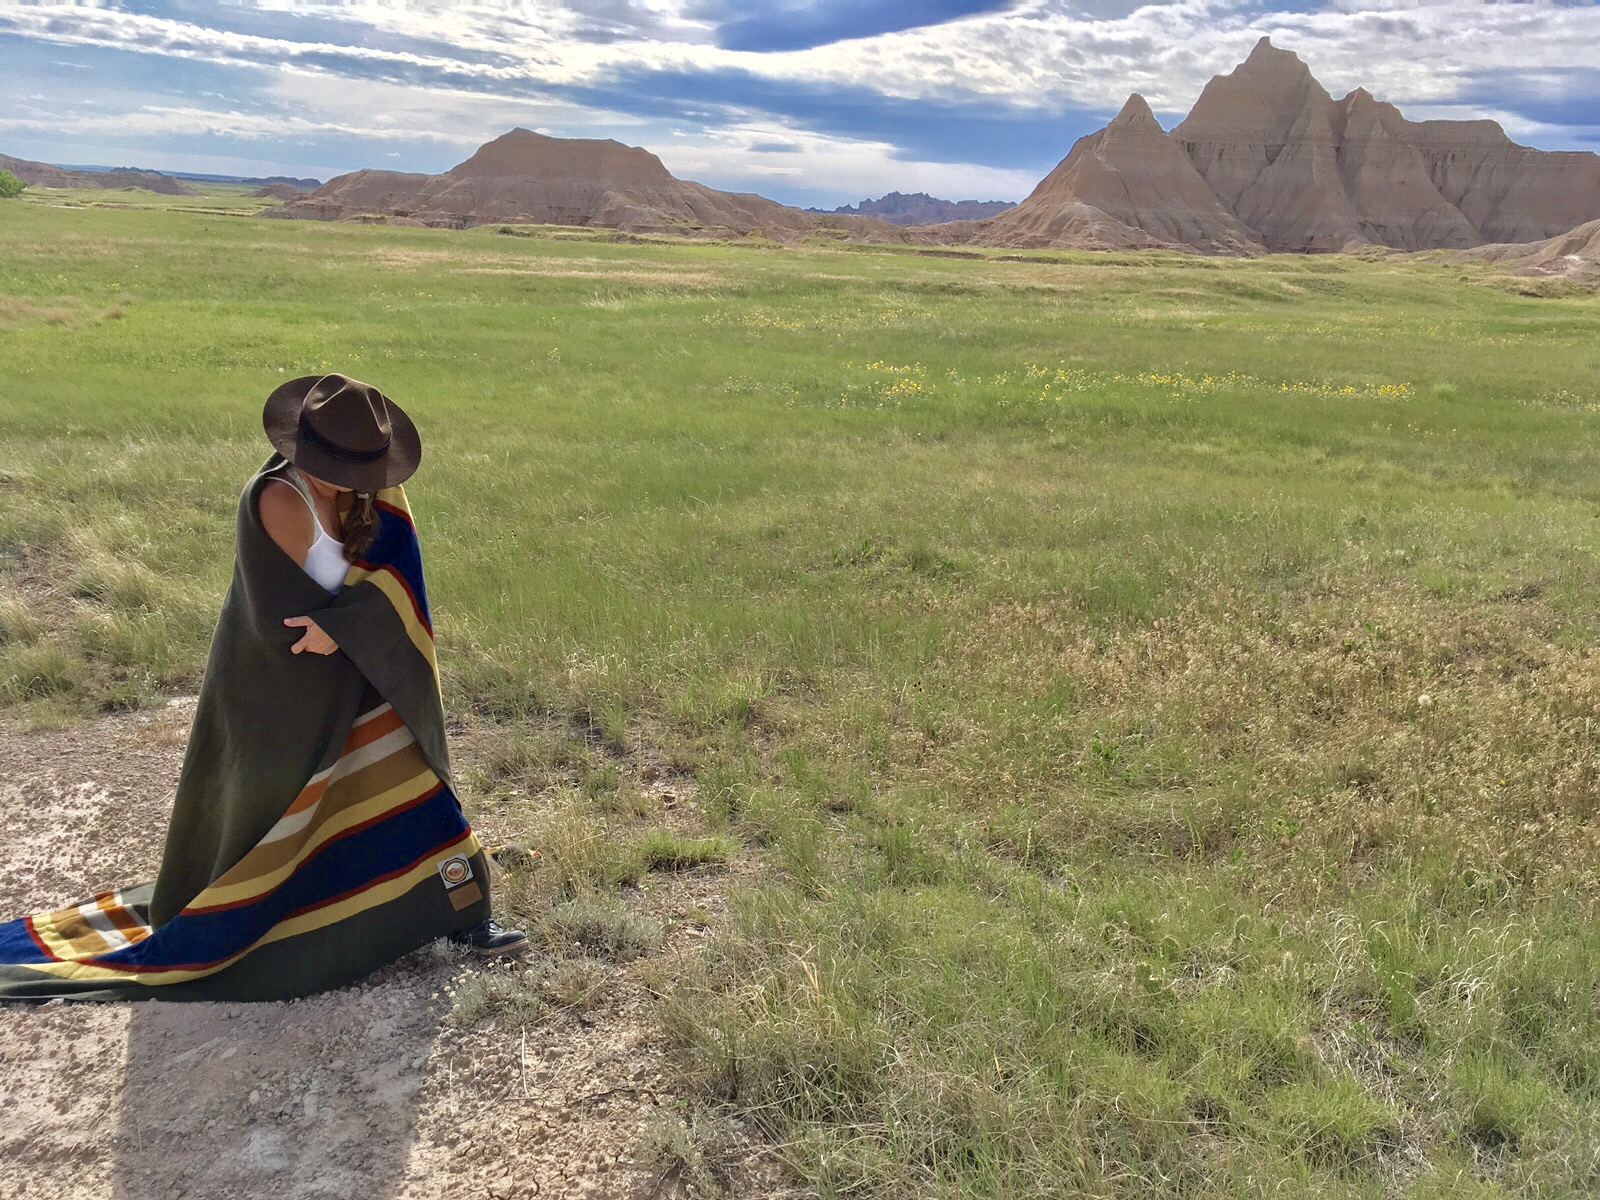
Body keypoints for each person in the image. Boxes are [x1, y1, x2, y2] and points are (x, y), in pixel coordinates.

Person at [0, 373, 525, 1002]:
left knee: (417, 791)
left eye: (363, 468)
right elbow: (289, 624)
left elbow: (396, 576)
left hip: (363, 672)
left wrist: (347, 630)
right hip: (277, 692)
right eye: (340, 467)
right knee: (274, 821)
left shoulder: (373, 484)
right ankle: (264, 917)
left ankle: (463, 914)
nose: (358, 481)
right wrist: (343, 629)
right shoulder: (276, 501)